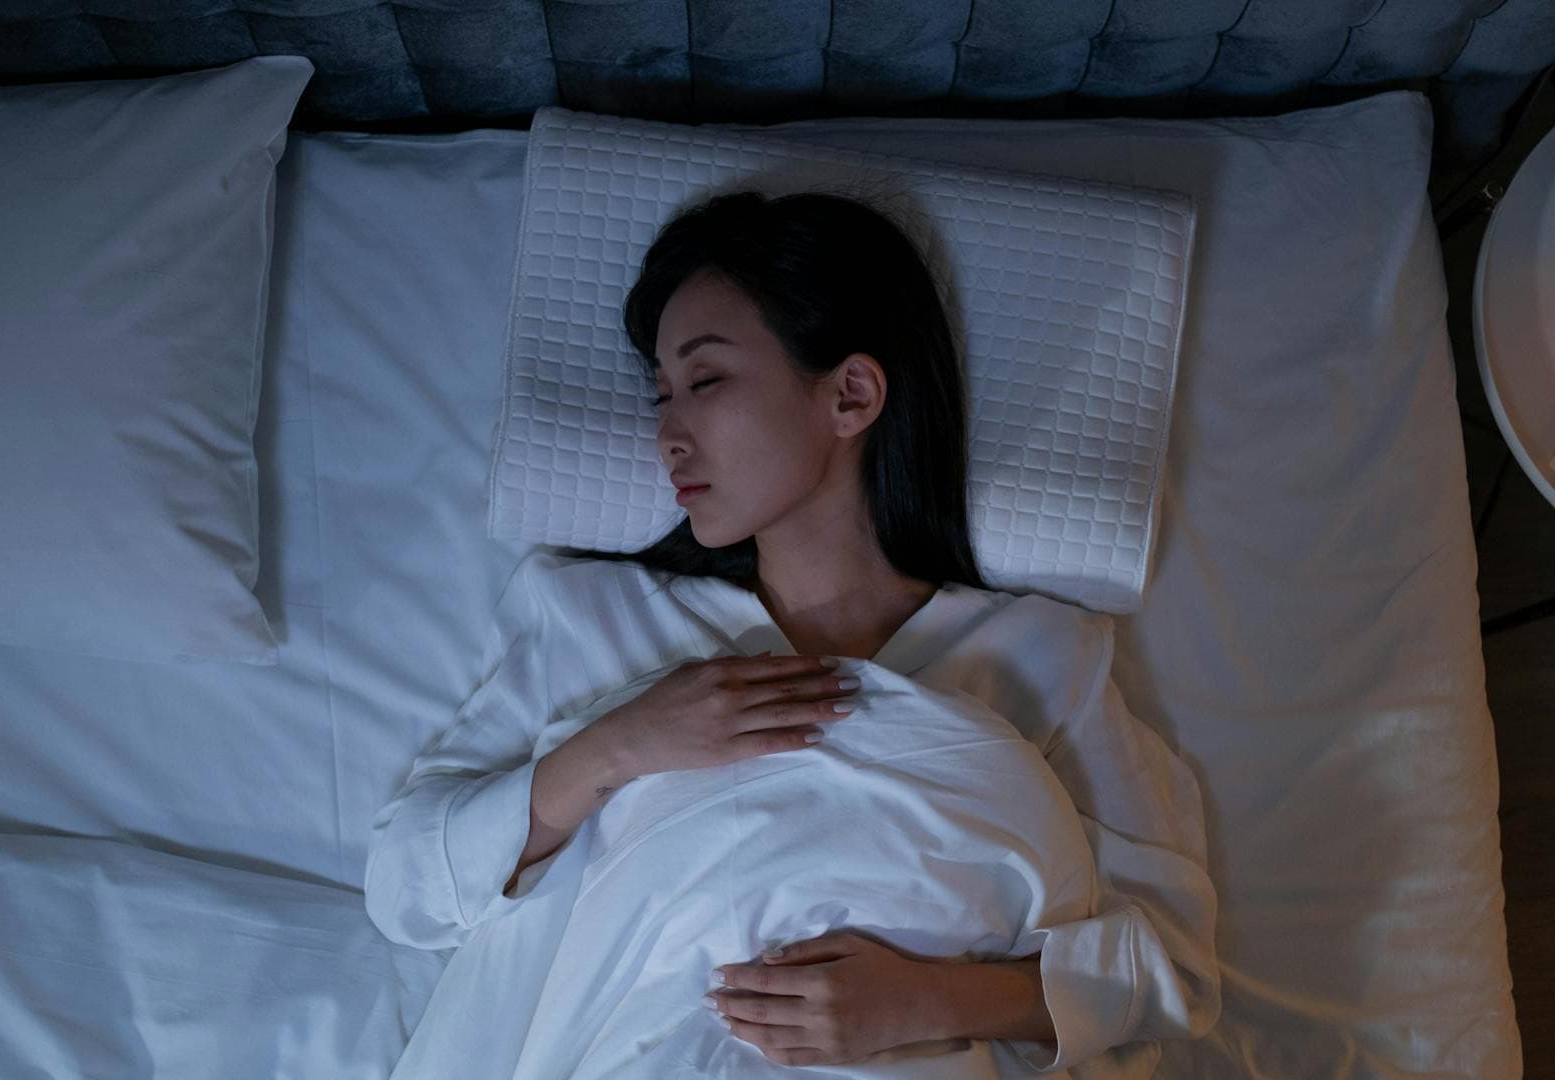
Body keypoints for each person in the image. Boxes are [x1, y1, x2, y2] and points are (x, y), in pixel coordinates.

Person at [364, 190, 1220, 1075]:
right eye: (660, 393)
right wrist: (617, 747)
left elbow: (1171, 972)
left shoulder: (1041, 654)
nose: (667, 433)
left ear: (851, 393)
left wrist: (925, 998)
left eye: (705, 381)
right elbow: (407, 891)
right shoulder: (591, 616)